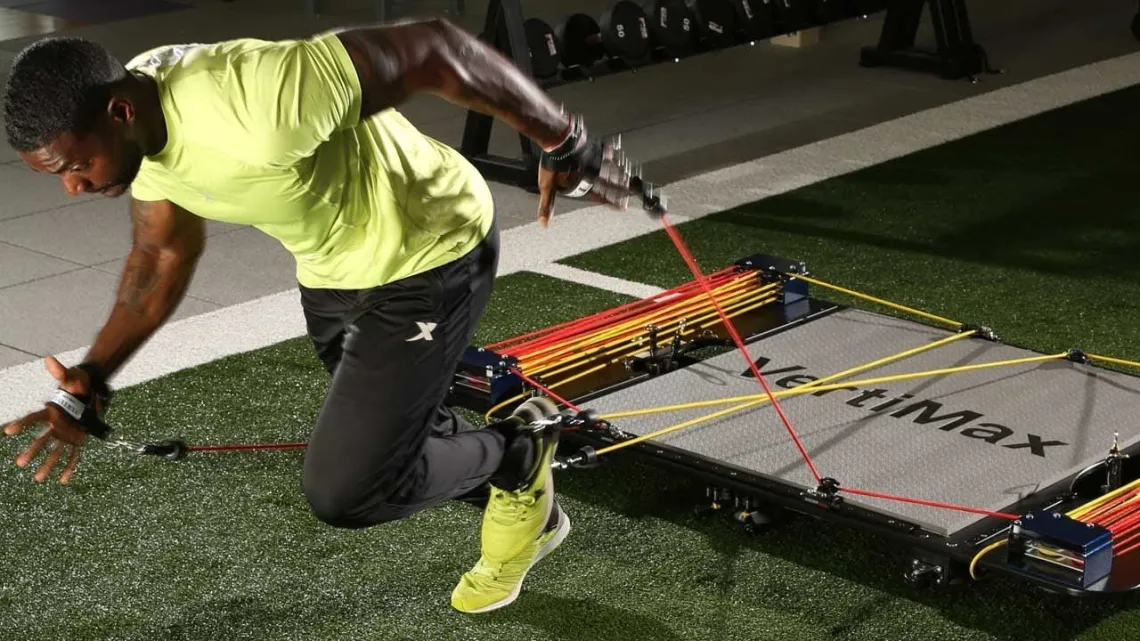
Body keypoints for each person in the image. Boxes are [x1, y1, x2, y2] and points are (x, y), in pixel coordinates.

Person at [0, 18, 642, 614]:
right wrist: (93, 378)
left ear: (120, 112)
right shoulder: (139, 120)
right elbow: (162, 251)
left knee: (350, 490)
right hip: (333, 273)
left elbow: (437, 48)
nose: (73, 189)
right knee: (399, 437)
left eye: (78, 166)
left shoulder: (256, 101)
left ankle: (519, 453)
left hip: (430, 249)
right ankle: (526, 495)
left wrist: (563, 137)